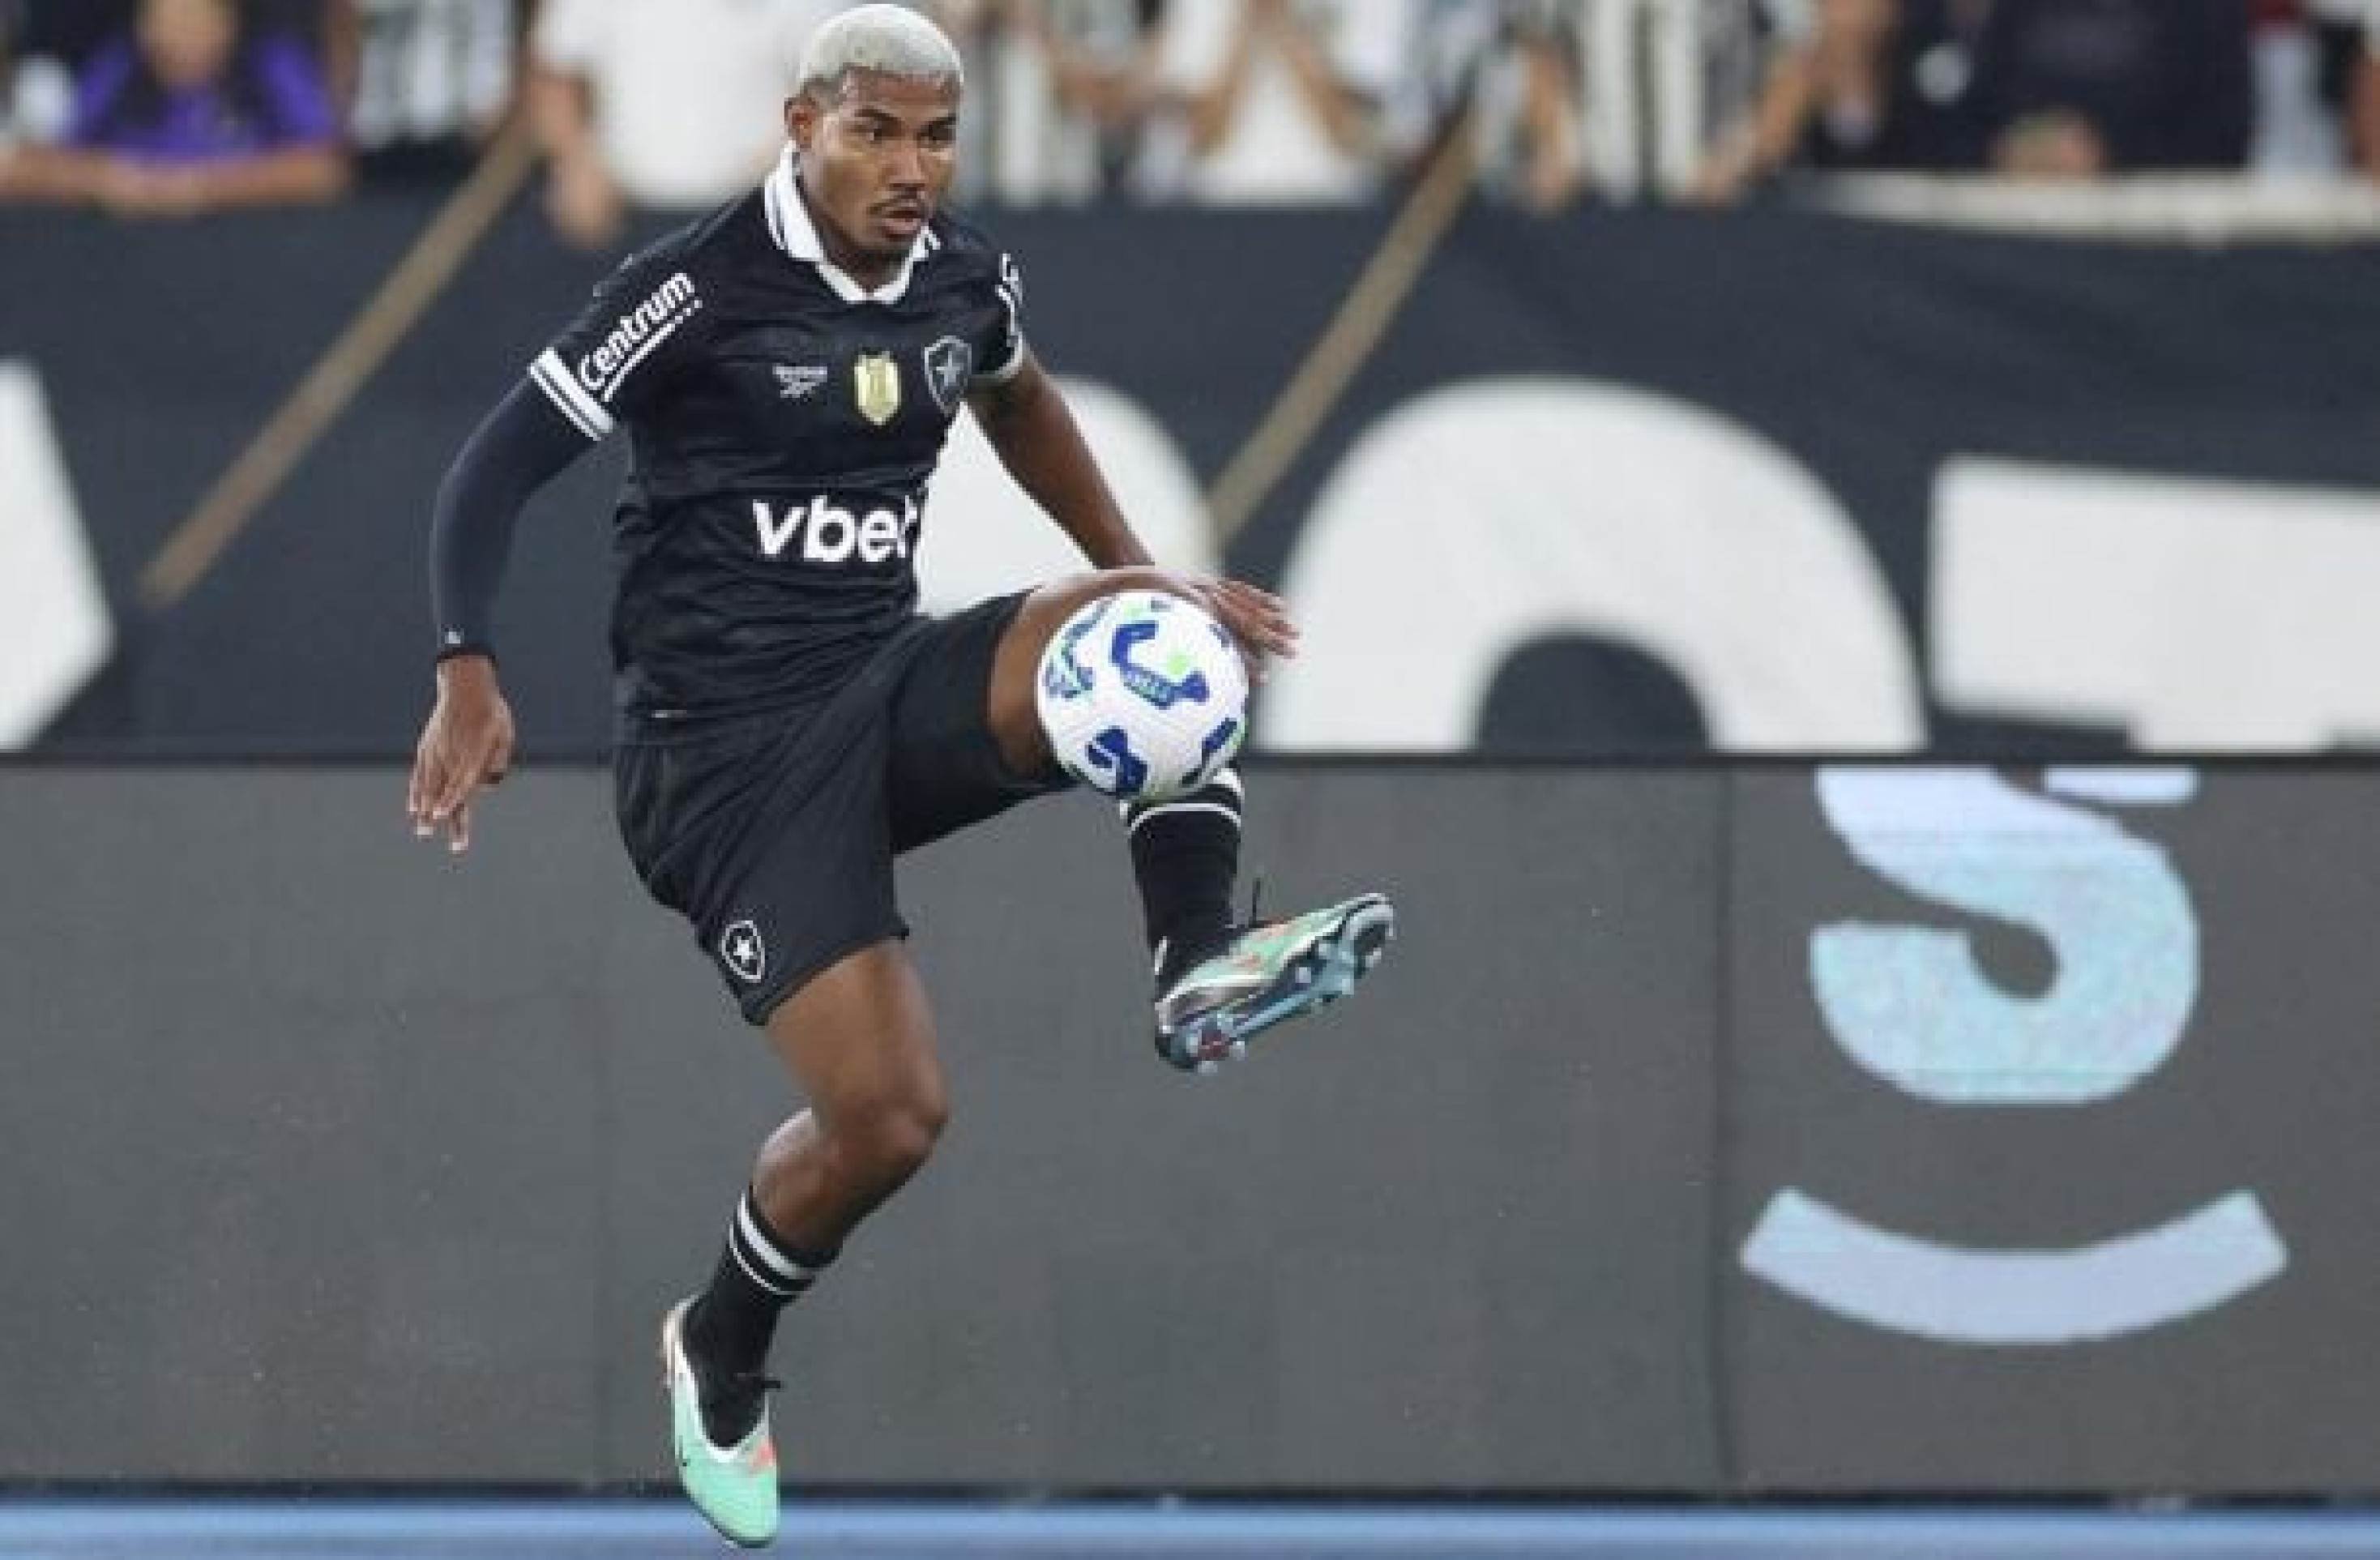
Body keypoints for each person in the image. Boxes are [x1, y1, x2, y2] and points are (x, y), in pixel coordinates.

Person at [404, 6, 1394, 1547]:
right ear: (802, 127)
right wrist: (466, 665)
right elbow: (493, 465)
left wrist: (1142, 569)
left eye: (936, 136)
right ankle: (718, 1343)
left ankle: (1195, 969)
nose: (910, 166)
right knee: (892, 1120)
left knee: (1161, 647)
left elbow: (1019, 398)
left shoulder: (961, 279)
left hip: (878, 680)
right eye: (875, 132)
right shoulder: (690, 289)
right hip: (718, 765)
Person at [0, 0, 348, 216]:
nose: (174, 36)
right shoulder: (121, 67)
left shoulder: (268, 65)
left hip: (250, 258)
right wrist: (108, 180)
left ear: (226, 23)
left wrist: (201, 189)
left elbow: (323, 170)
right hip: (122, 264)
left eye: (192, 17)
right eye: (162, 18)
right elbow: (28, 166)